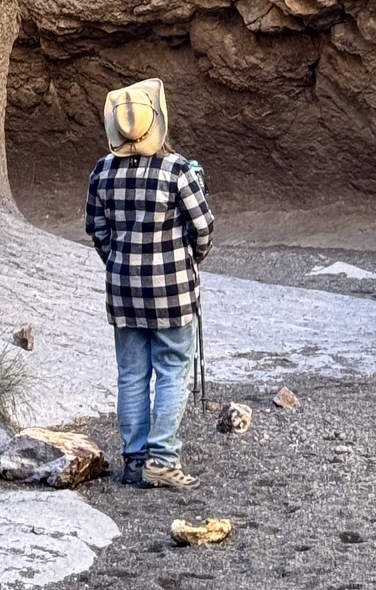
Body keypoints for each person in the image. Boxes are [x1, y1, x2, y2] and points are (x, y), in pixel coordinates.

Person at [85, 77, 213, 491]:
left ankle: (134, 461)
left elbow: (96, 229)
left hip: (122, 290)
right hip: (173, 291)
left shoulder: (102, 171)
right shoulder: (178, 170)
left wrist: (119, 262)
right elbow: (204, 227)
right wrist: (190, 260)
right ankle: (162, 458)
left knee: (131, 374)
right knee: (173, 370)